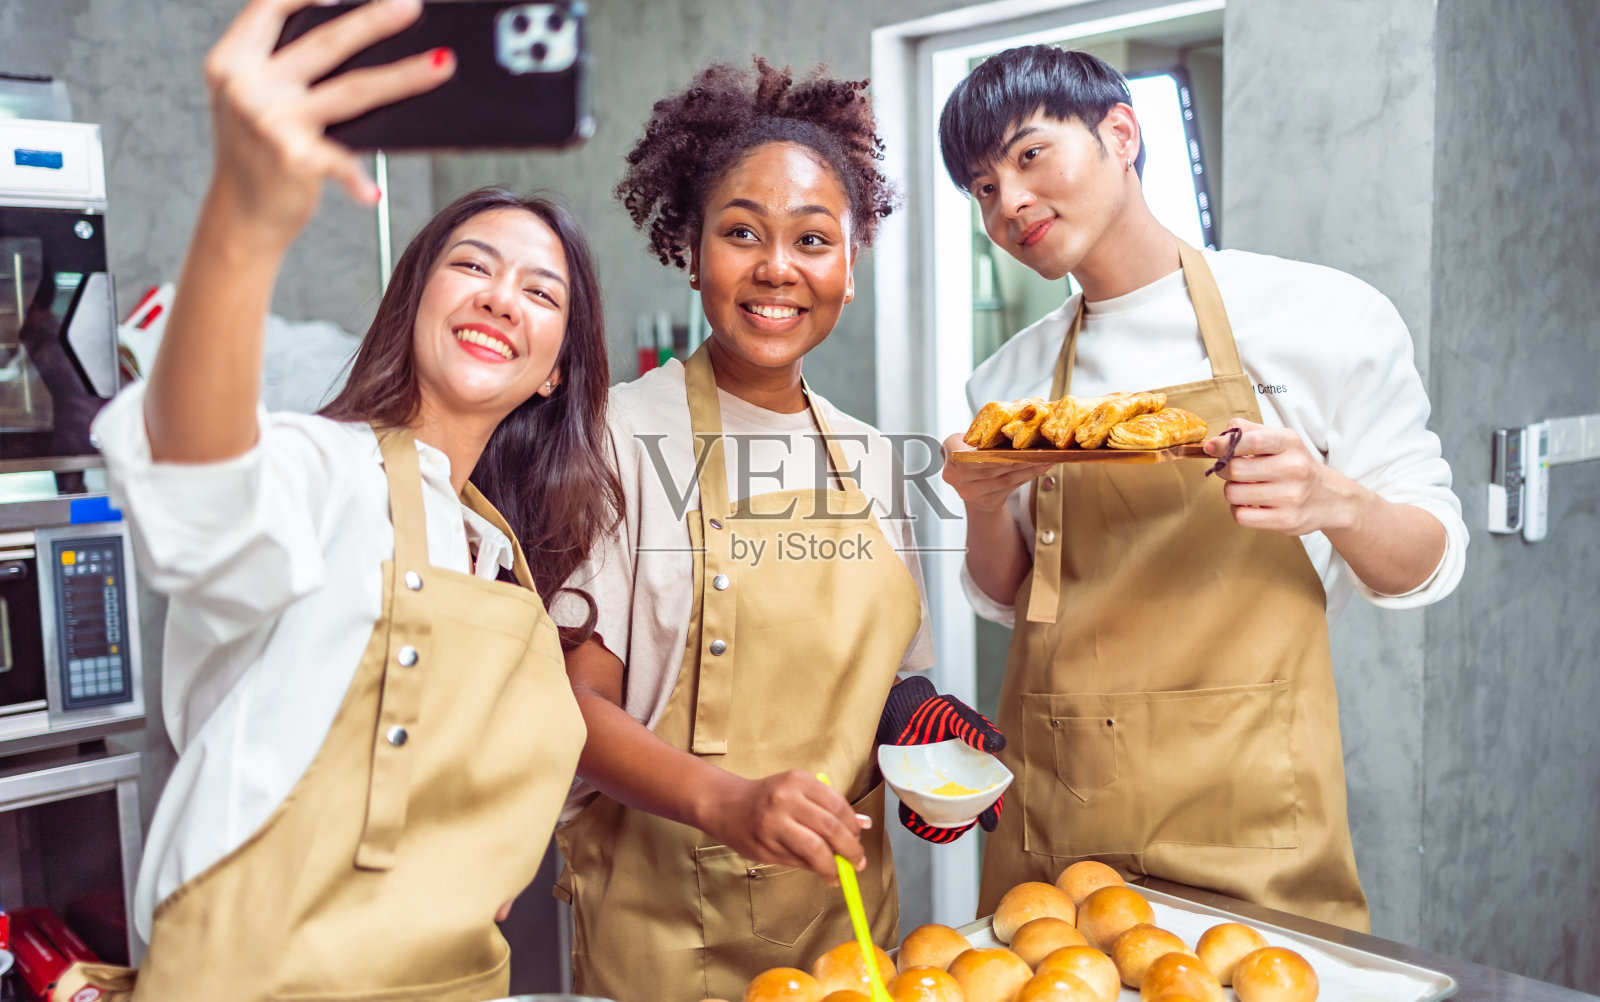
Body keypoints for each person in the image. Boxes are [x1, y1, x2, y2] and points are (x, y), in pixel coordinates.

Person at [54, 2, 619, 999]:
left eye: (541, 293)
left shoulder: (503, 557)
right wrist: (244, 216)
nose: (500, 297)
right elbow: (203, 483)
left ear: (551, 374)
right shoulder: (324, 470)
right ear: (413, 308)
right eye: (472, 267)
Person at [937, 46, 1468, 932]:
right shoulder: (1012, 378)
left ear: (1122, 132)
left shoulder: (1321, 317)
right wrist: (983, 503)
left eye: (1029, 156)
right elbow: (1007, 595)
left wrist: (1334, 502)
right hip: (1064, 821)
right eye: (983, 189)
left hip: (1250, 812)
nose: (1011, 203)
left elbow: (1426, 562)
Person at [550, 59, 1002, 1002]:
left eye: (812, 239)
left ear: (850, 262)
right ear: (690, 250)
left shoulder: (873, 456)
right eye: (742, 233)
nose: (777, 269)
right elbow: (568, 710)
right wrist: (727, 801)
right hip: (669, 934)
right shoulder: (617, 436)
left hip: (846, 925)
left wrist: (917, 732)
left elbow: (880, 674)